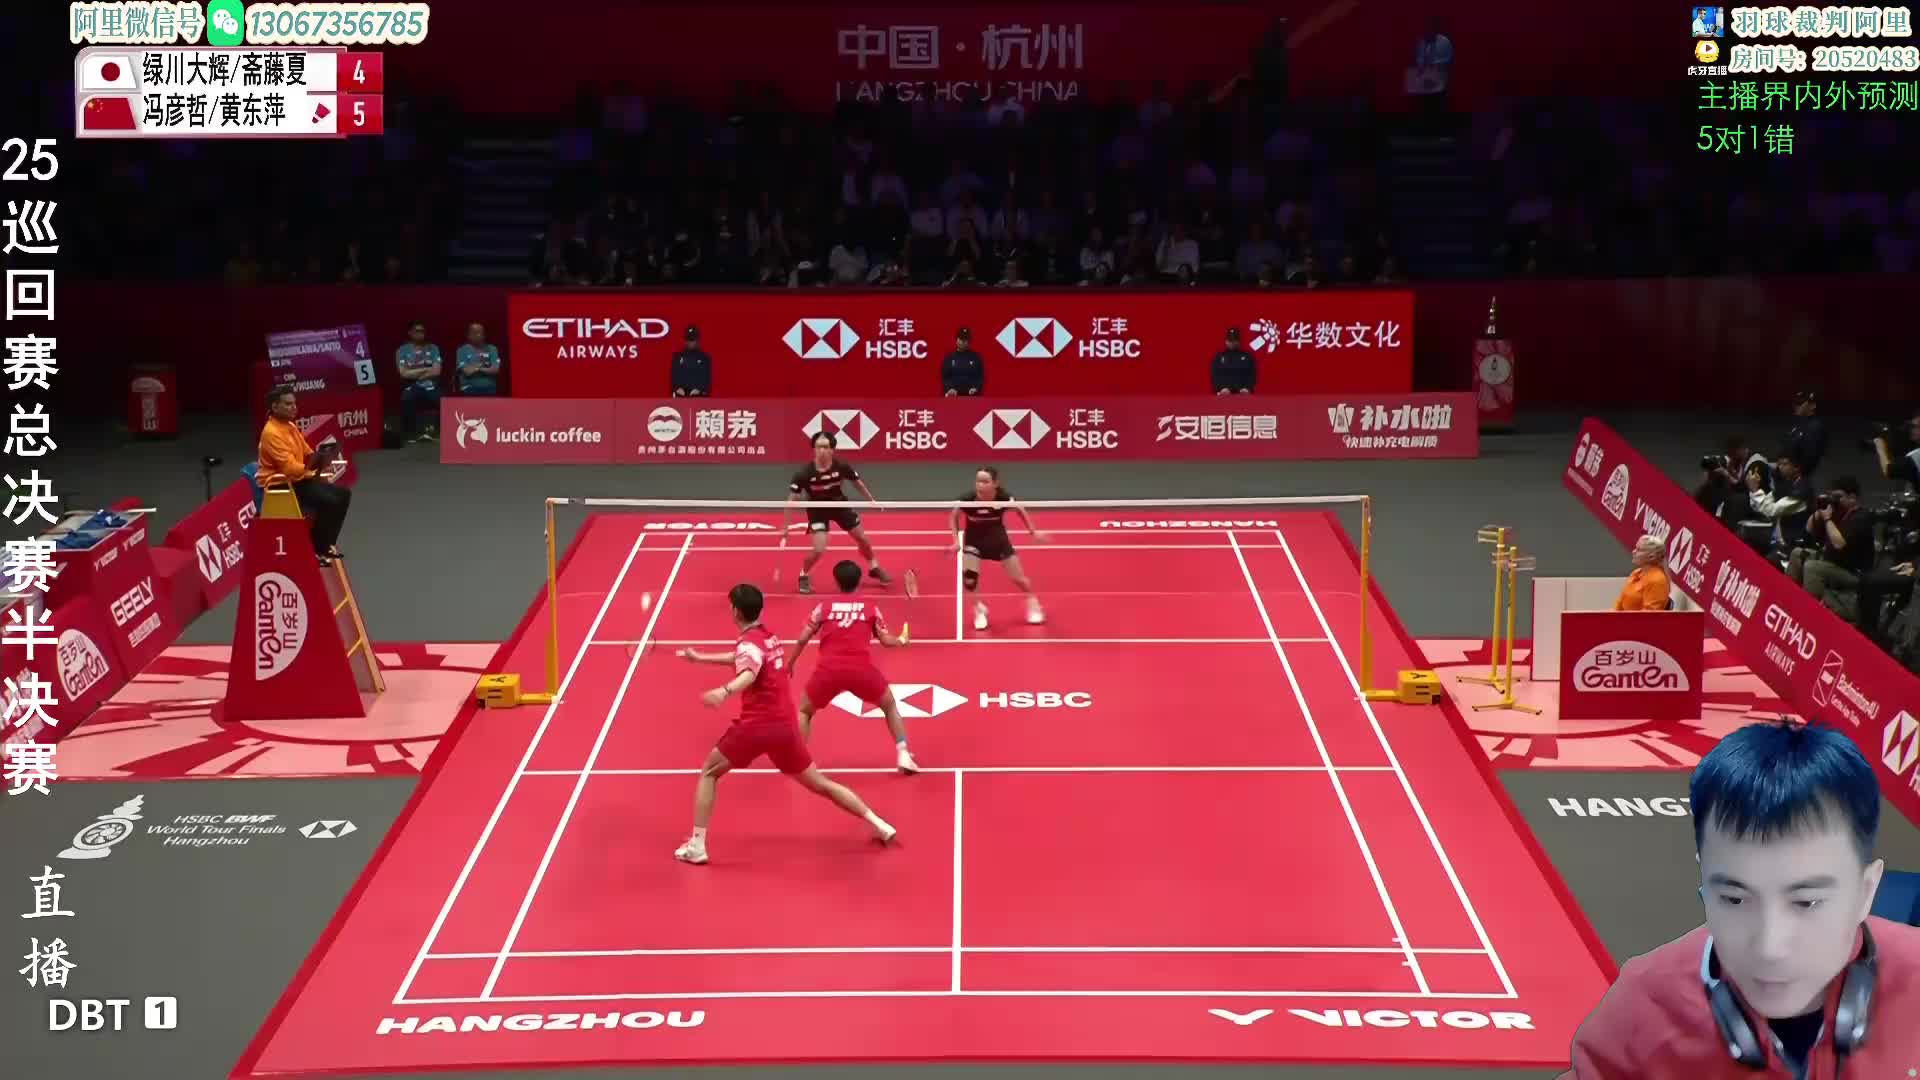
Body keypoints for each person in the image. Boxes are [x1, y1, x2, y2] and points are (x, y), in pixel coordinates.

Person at [1561, 719, 1920, 1077]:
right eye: (1734, 899)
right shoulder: (1643, 1004)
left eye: (1806, 902)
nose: (1769, 947)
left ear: (1866, 891)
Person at [671, 583, 898, 866]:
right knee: (821, 784)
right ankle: (879, 823)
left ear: (735, 611)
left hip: (756, 726)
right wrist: (700, 658)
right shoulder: (768, 638)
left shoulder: (749, 645)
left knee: (709, 772)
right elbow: (743, 658)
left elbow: (748, 672)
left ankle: (697, 845)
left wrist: (724, 691)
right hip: (785, 727)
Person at [787, 560, 918, 774]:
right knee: (889, 706)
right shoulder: (870, 608)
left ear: (836, 582)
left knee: (804, 710)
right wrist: (901, 640)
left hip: (828, 671)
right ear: (859, 581)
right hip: (861, 671)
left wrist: (790, 663)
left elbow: (803, 638)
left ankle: (798, 762)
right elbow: (886, 641)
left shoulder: (823, 607)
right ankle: (903, 754)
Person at [783, 431, 891, 594]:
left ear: (832, 449)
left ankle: (874, 567)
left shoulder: (841, 467)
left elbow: (857, 483)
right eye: (818, 447)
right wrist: (785, 527)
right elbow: (791, 500)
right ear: (814, 449)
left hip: (840, 506)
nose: (822, 450)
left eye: (825, 447)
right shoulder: (804, 473)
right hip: (817, 511)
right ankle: (803, 575)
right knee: (819, 549)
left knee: (862, 539)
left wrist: (871, 500)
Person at [256, 388, 351, 566]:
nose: (294, 407)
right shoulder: (271, 433)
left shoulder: (290, 426)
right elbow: (289, 468)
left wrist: (322, 458)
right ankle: (316, 550)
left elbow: (307, 452)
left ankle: (325, 545)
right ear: (274, 407)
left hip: (298, 479)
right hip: (281, 484)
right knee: (330, 501)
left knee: (343, 494)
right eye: (288, 404)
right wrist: (311, 472)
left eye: (294, 403)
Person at [951, 465, 1048, 631]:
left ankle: (1033, 602)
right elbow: (953, 517)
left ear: (995, 483)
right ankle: (979, 610)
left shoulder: (1002, 497)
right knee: (969, 580)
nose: (980, 485)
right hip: (974, 541)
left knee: (1019, 578)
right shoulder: (968, 500)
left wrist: (1033, 531)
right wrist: (955, 540)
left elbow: (1020, 509)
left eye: (985, 482)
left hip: (998, 540)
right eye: (978, 481)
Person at [395, 320, 442, 442]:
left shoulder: (433, 348)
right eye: (417, 331)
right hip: (412, 385)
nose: (420, 333)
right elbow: (403, 373)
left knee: (442, 399)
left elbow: (437, 371)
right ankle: (410, 433)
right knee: (407, 398)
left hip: (431, 385)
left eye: (422, 331)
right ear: (410, 333)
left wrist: (414, 373)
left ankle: (438, 432)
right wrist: (426, 369)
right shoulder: (402, 350)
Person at [1613, 534, 1672, 611]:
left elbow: (1648, 614)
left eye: (1639, 549)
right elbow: (1619, 604)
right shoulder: (1636, 573)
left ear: (1651, 556)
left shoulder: (1657, 580)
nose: (1633, 551)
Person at [453, 322, 502, 396]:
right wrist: (484, 367)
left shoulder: (492, 349)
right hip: (468, 389)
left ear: (484, 335)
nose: (477, 335)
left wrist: (477, 368)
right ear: (468, 335)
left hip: (489, 388)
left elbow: (495, 370)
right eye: (474, 333)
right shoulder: (462, 350)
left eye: (480, 332)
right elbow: (467, 371)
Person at [941, 326, 984, 397]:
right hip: (954, 396)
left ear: (969, 341)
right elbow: (945, 377)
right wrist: (949, 389)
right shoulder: (949, 358)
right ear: (956, 340)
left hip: (971, 396)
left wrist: (976, 388)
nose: (963, 342)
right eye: (961, 339)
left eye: (965, 339)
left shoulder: (975, 357)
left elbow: (980, 377)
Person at [1211, 326, 1255, 394]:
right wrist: (1221, 388)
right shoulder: (1219, 357)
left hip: (1243, 393)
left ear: (1239, 341)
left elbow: (1252, 374)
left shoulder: (1247, 357)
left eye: (1234, 340)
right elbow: (1215, 375)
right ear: (1226, 341)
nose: (1232, 342)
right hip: (1224, 393)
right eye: (1230, 340)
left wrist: (1248, 388)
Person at [671, 324, 711, 397]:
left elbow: (706, 378)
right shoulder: (678, 357)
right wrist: (677, 388)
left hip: (698, 394)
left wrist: (699, 389)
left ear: (697, 341)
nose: (691, 342)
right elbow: (674, 375)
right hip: (681, 394)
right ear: (685, 341)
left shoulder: (704, 358)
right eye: (689, 340)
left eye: (693, 340)